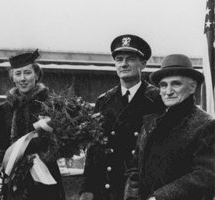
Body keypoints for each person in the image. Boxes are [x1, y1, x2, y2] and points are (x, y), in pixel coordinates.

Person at [79, 34, 165, 200]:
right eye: (119, 59)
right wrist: (87, 188)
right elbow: (94, 149)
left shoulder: (157, 100)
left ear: (143, 64)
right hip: (106, 188)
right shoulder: (104, 101)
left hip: (139, 190)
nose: (124, 64)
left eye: (130, 59)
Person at [125, 54, 215, 200]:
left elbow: (205, 175)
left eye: (176, 84)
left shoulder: (206, 124)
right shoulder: (150, 123)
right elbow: (135, 169)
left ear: (192, 87)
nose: (168, 91)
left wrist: (160, 197)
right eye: (163, 85)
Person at [0, 49, 65, 200]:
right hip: (15, 181)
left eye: (27, 73)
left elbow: (61, 144)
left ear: (37, 75)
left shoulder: (50, 104)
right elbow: (2, 146)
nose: (22, 78)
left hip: (46, 178)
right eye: (18, 74)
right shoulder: (4, 109)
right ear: (12, 77)